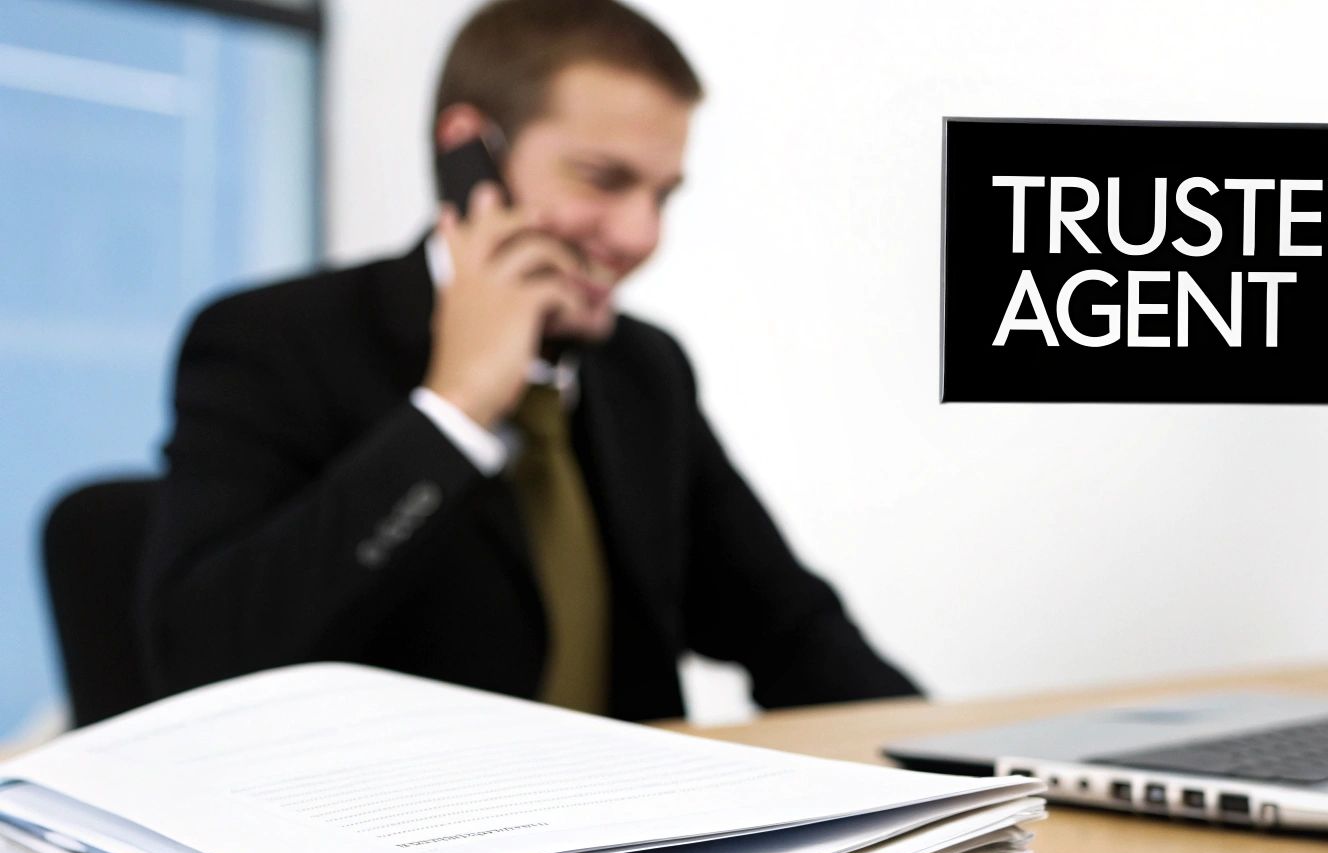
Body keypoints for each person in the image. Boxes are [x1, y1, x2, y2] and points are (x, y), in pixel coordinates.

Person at [136, 0, 919, 721]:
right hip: (389, 850)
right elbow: (204, 666)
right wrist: (453, 412)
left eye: (662, 194)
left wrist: (977, 790)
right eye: (605, 180)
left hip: (630, 847)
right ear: (466, 151)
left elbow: (791, 630)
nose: (642, 235)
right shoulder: (271, 341)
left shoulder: (642, 370)